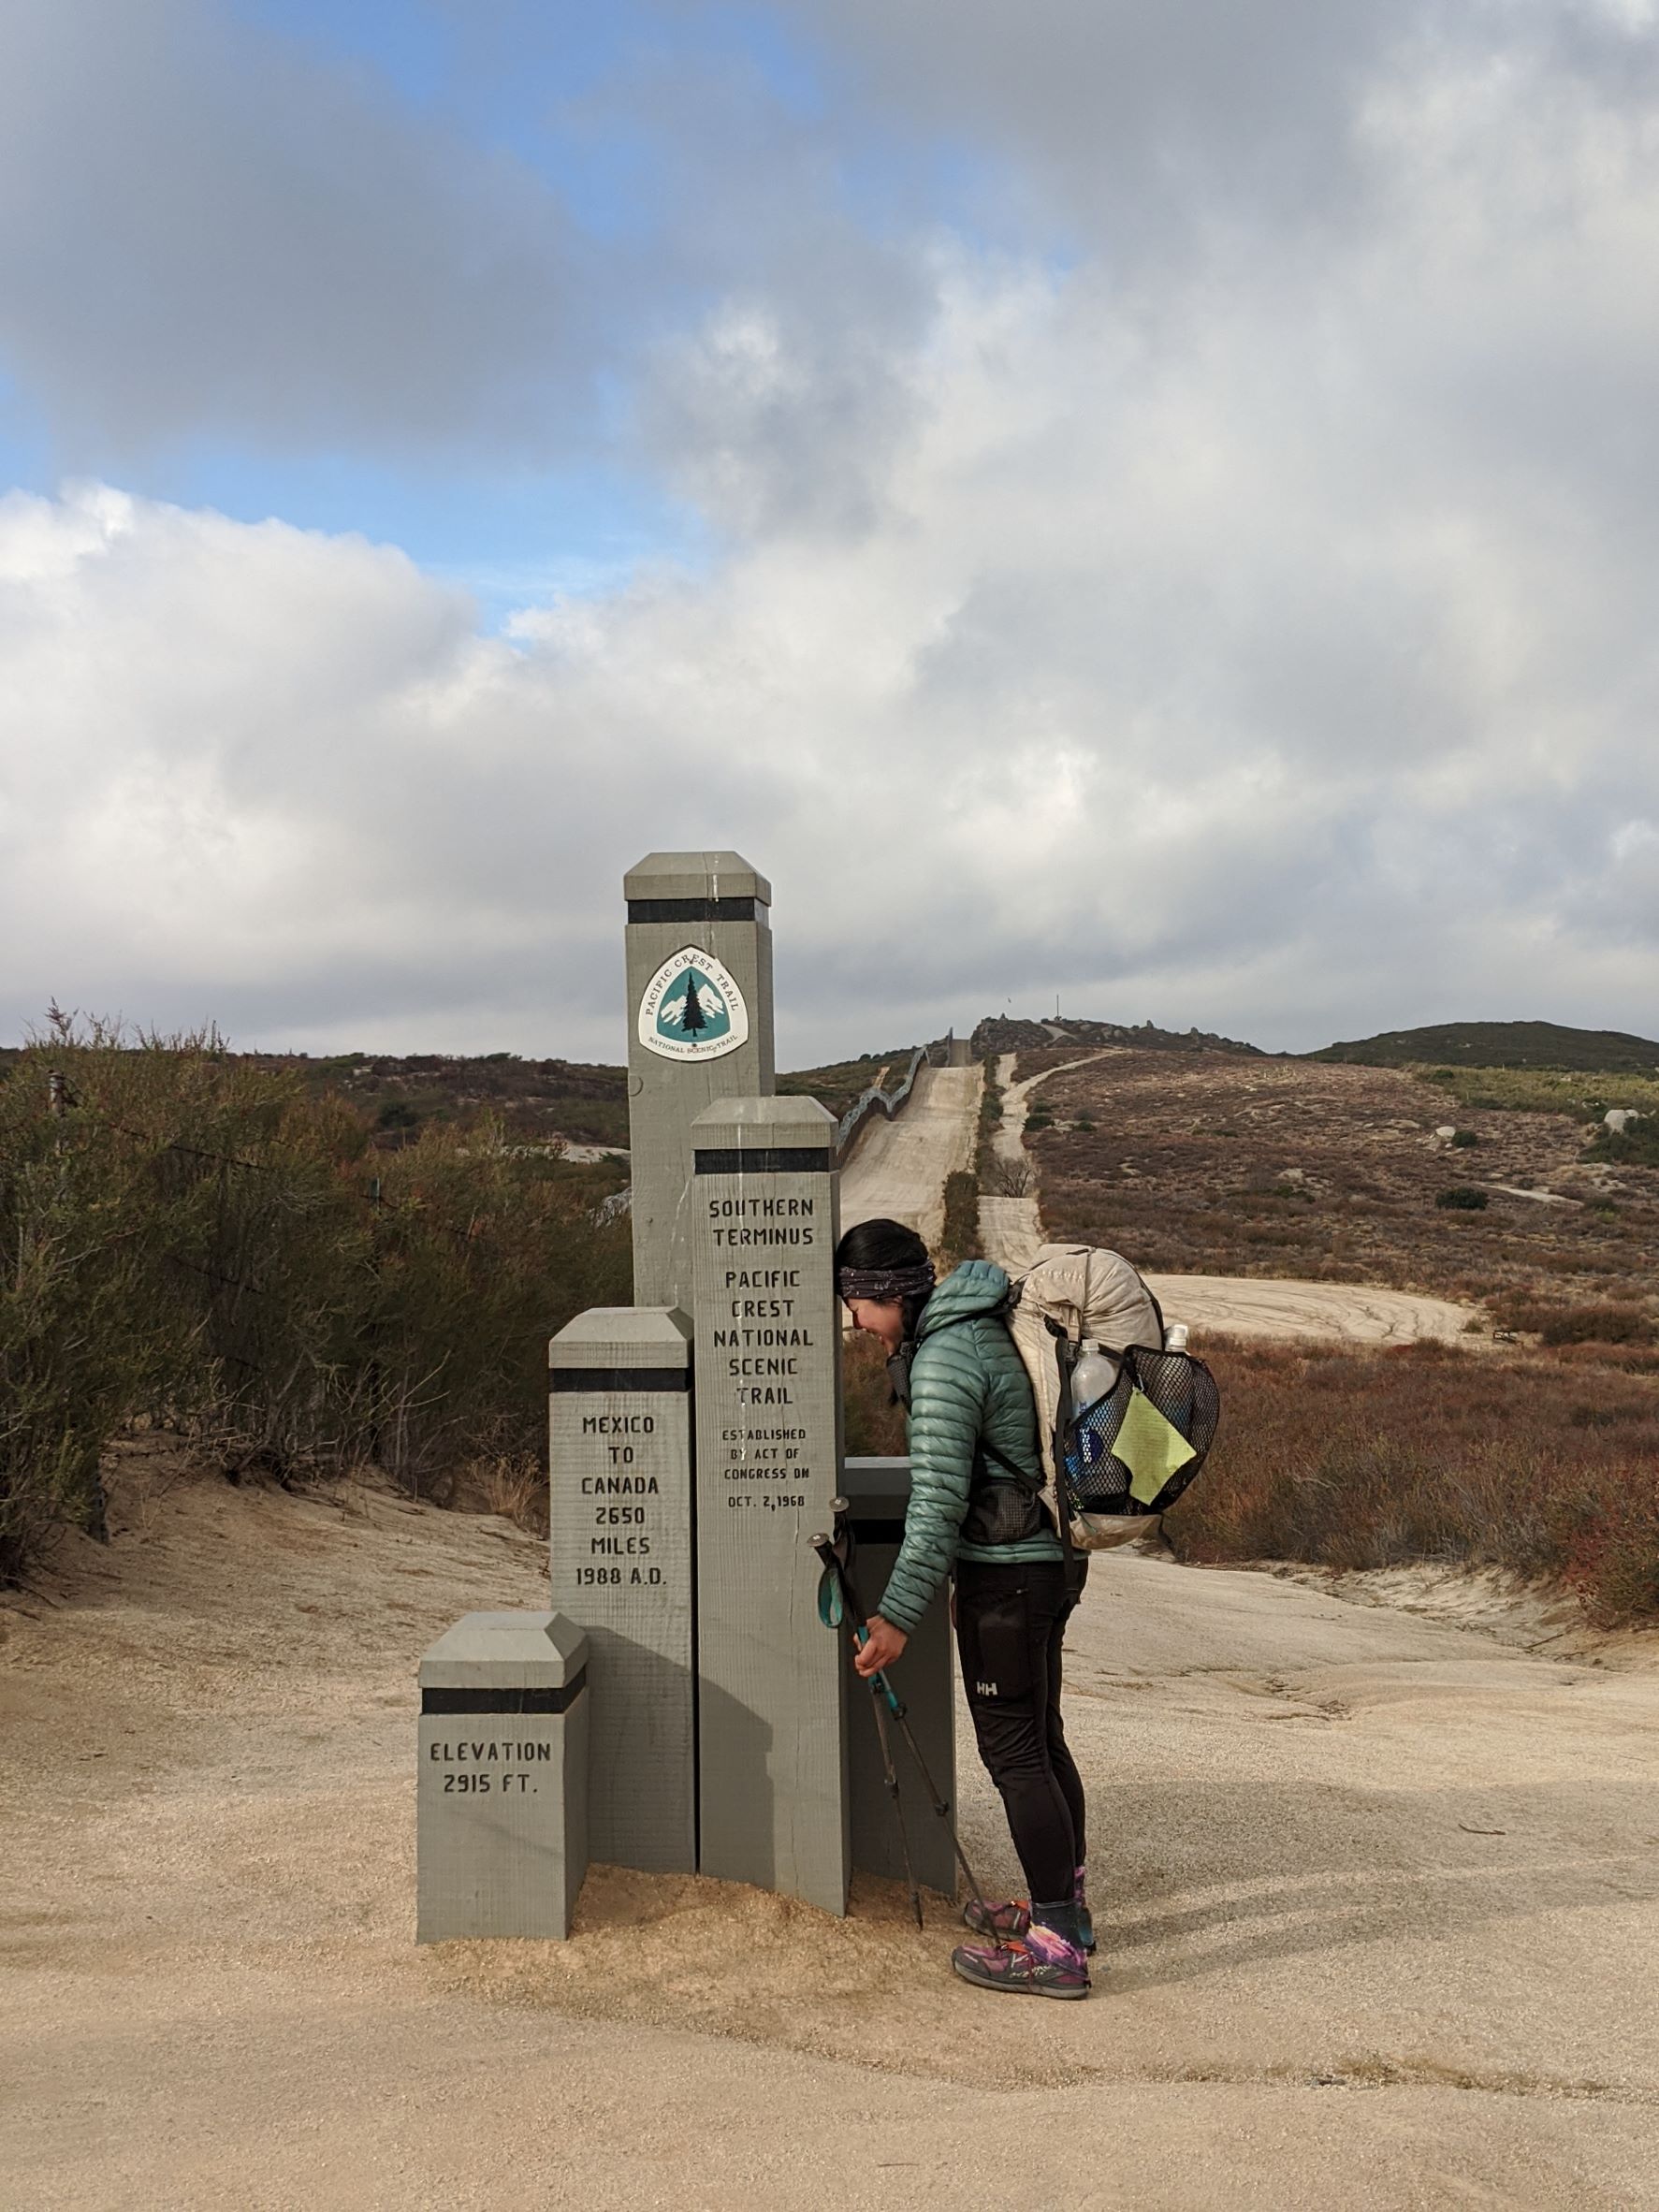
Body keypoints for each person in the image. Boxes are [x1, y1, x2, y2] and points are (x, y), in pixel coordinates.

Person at [836, 1215, 1093, 2000]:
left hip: (1009, 1574)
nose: (852, 1322)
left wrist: (897, 1614)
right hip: (1041, 1562)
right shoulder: (974, 1331)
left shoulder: (947, 1357)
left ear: (887, 1292)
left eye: (855, 1303)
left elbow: (938, 1499)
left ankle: (1056, 1948)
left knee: (1013, 1753)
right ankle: (1065, 1914)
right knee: (1039, 1741)